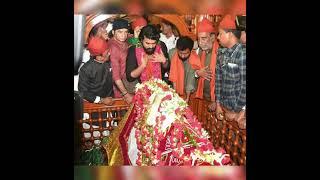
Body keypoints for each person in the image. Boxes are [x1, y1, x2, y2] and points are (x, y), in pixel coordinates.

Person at [215, 14, 246, 129]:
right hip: (223, 107)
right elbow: (218, 80)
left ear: (230, 34)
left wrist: (236, 111)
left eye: (220, 33)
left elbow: (244, 86)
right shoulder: (221, 52)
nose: (218, 37)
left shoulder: (242, 53)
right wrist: (218, 104)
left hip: (237, 113)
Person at [78, 36, 114, 105]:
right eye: (107, 53)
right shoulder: (86, 69)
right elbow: (83, 91)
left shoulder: (108, 61)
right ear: (99, 57)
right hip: (96, 105)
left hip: (112, 99)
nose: (109, 54)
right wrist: (101, 100)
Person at [194, 17, 220, 111]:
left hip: (217, 103)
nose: (200, 43)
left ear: (213, 38)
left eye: (204, 39)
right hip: (201, 98)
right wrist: (198, 73)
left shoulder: (221, 53)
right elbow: (191, 71)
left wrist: (217, 101)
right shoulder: (199, 51)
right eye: (199, 39)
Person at [108, 18, 134, 104]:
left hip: (126, 82)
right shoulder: (113, 47)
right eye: (120, 32)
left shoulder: (123, 41)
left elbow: (132, 42)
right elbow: (115, 76)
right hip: (118, 87)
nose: (123, 35)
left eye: (125, 32)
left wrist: (136, 37)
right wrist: (126, 94)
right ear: (113, 32)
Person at [169, 36, 200, 103]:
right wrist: (174, 94)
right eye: (180, 53)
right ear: (177, 49)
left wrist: (187, 97)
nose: (183, 56)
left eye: (186, 53)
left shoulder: (194, 60)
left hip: (190, 93)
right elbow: (172, 75)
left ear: (191, 51)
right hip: (173, 91)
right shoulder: (172, 53)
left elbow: (190, 79)